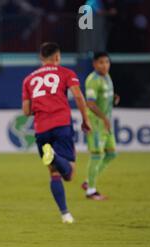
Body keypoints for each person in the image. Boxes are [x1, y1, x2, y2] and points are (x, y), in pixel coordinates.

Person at [22, 42, 91, 224]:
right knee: (69, 174)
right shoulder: (66, 73)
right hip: (61, 124)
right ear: (57, 57)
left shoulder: (28, 79)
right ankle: (53, 156)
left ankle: (65, 214)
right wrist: (85, 119)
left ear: (41, 58)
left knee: (53, 173)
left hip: (41, 129)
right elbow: (77, 96)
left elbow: (26, 111)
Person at [82, 52, 119, 200]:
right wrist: (104, 118)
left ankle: (88, 181)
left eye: (107, 62)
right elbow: (90, 103)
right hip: (96, 124)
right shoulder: (93, 80)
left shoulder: (107, 77)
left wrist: (113, 97)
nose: (105, 65)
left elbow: (103, 96)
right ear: (94, 64)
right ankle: (91, 191)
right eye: (101, 62)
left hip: (105, 123)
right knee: (96, 155)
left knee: (111, 154)